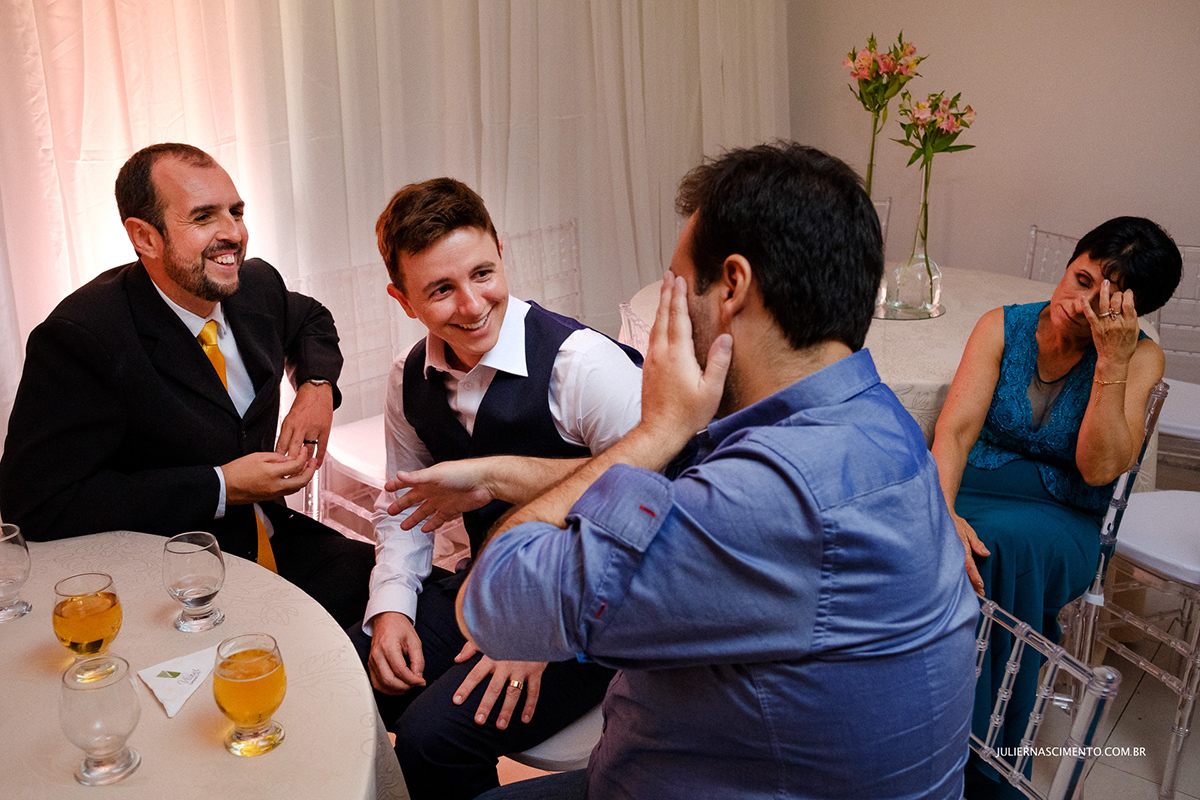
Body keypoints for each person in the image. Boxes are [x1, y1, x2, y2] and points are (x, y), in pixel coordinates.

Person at [457, 142, 980, 800]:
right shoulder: (883, 422)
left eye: (679, 289)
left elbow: (496, 603)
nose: (664, 322)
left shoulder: (772, 496)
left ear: (731, 286)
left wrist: (657, 430)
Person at [0, 143, 375, 629]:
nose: (233, 235)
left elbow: (310, 320)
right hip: (170, 591)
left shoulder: (255, 283)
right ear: (144, 237)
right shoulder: (82, 338)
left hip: (277, 540)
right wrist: (220, 486)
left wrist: (317, 387)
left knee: (415, 604)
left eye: (236, 212)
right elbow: (36, 504)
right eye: (203, 217)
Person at [357, 178, 643, 799]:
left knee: (435, 736)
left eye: (482, 273)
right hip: (495, 583)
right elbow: (403, 507)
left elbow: (659, 510)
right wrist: (390, 609)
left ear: (501, 251)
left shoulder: (582, 366)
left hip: (603, 605)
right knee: (357, 676)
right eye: (440, 289)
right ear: (402, 299)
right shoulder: (407, 379)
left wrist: (540, 630)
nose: (471, 304)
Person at [930, 216, 1182, 798]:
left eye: (1105, 298)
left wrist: (1112, 364)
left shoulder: (1141, 359)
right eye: (1081, 277)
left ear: (1131, 312)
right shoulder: (1003, 326)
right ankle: (919, 732)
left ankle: (973, 764)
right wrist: (943, 511)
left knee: (997, 553)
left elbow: (1098, 468)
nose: (1081, 301)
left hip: (1062, 514)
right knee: (928, 536)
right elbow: (955, 434)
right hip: (971, 491)